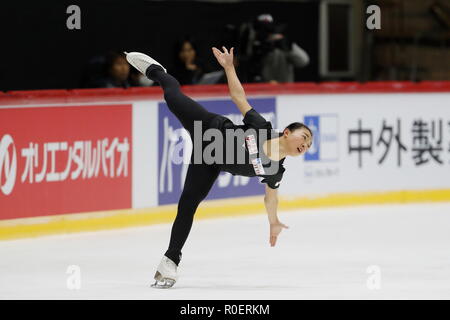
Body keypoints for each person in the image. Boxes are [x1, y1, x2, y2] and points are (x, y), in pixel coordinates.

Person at [124, 47, 313, 289]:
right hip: (208, 126)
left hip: (209, 160)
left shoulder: (276, 171)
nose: (305, 144)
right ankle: (157, 71)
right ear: (287, 132)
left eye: (308, 144)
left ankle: (170, 260)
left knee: (188, 204)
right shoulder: (262, 127)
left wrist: (274, 221)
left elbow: (270, 198)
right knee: (171, 95)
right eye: (304, 137)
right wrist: (229, 68)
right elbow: (239, 98)